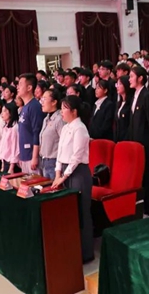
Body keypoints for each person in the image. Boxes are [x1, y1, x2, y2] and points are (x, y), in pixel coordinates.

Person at [53, 95, 94, 264]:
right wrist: (57, 174)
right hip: (64, 172)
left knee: (81, 212)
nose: (61, 112)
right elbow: (60, 153)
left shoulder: (80, 129)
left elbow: (76, 157)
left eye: (64, 108)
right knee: (69, 213)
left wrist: (63, 176)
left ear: (74, 111)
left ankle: (86, 252)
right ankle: (72, 249)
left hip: (78, 173)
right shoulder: (65, 128)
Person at [127, 66, 149, 216]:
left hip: (146, 144)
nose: (129, 79)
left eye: (132, 76)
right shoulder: (135, 95)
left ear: (140, 78)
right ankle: (146, 208)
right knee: (143, 176)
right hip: (137, 143)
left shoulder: (147, 96)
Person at [17, 73, 45, 174]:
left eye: (20, 84)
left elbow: (37, 132)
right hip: (24, 155)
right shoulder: (24, 107)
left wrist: (34, 157)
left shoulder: (34, 106)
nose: (18, 87)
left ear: (29, 87)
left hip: (32, 156)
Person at [39, 89, 65, 180]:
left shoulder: (60, 119)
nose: (42, 102)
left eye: (45, 99)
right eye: (42, 99)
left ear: (54, 102)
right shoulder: (46, 119)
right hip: (44, 160)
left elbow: (64, 142)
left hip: (55, 161)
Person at [0, 103, 20, 173]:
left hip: (12, 164)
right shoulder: (5, 127)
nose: (2, 113)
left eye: (5, 111)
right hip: (5, 162)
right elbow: (3, 146)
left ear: (11, 113)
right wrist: (2, 165)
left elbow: (15, 148)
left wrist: (11, 167)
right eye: (2, 111)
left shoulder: (15, 128)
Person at [114, 76, 133, 142]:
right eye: (117, 84)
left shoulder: (131, 103)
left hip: (127, 139)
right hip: (118, 138)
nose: (117, 86)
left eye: (120, 84)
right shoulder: (118, 103)